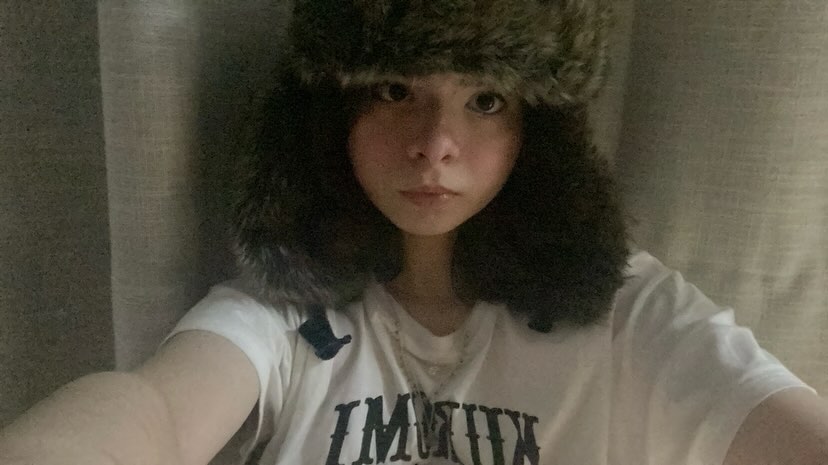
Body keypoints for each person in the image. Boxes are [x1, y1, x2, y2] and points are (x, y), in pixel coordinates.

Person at [1, 1, 827, 464]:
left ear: (537, 131)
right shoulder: (284, 317)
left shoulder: (624, 312)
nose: (435, 144)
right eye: (396, 90)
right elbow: (155, 407)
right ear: (334, 110)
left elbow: (771, 415)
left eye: (485, 100)